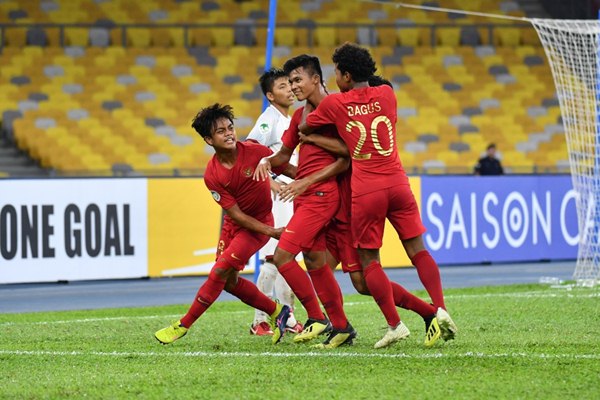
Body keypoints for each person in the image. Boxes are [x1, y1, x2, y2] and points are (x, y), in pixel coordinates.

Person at [299, 43, 457, 349]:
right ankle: (440, 309)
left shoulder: (335, 105)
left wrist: (312, 133)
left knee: (369, 261)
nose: (335, 79)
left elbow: (306, 125)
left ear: (345, 75)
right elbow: (377, 93)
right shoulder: (388, 94)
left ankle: (394, 325)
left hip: (366, 189)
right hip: (398, 183)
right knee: (418, 251)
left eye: (337, 74)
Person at [154, 104, 294, 345]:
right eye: (221, 131)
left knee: (219, 271)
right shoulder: (212, 174)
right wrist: (272, 233)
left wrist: (312, 181)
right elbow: (236, 215)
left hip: (258, 225)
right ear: (209, 139)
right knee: (228, 281)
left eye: (230, 128)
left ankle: (183, 325)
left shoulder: (256, 151)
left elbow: (287, 167)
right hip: (236, 225)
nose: (229, 133)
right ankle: (276, 312)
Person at [254, 54, 356, 349]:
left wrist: (306, 181)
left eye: (297, 80)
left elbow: (347, 156)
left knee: (283, 256)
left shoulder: (335, 107)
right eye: (289, 82)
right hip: (304, 195)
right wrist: (264, 162)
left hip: (322, 196)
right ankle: (341, 326)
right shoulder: (299, 116)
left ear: (316, 78)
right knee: (314, 260)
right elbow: (283, 157)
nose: (293, 86)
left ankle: (316, 317)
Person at [246, 68, 303, 336]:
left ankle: (272, 318)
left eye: (290, 85)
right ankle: (273, 318)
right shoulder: (268, 120)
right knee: (277, 257)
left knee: (282, 256)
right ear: (270, 95)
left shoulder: (287, 119)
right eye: (282, 86)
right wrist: (271, 184)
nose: (290, 89)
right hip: (276, 197)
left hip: (289, 193)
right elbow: (248, 155)